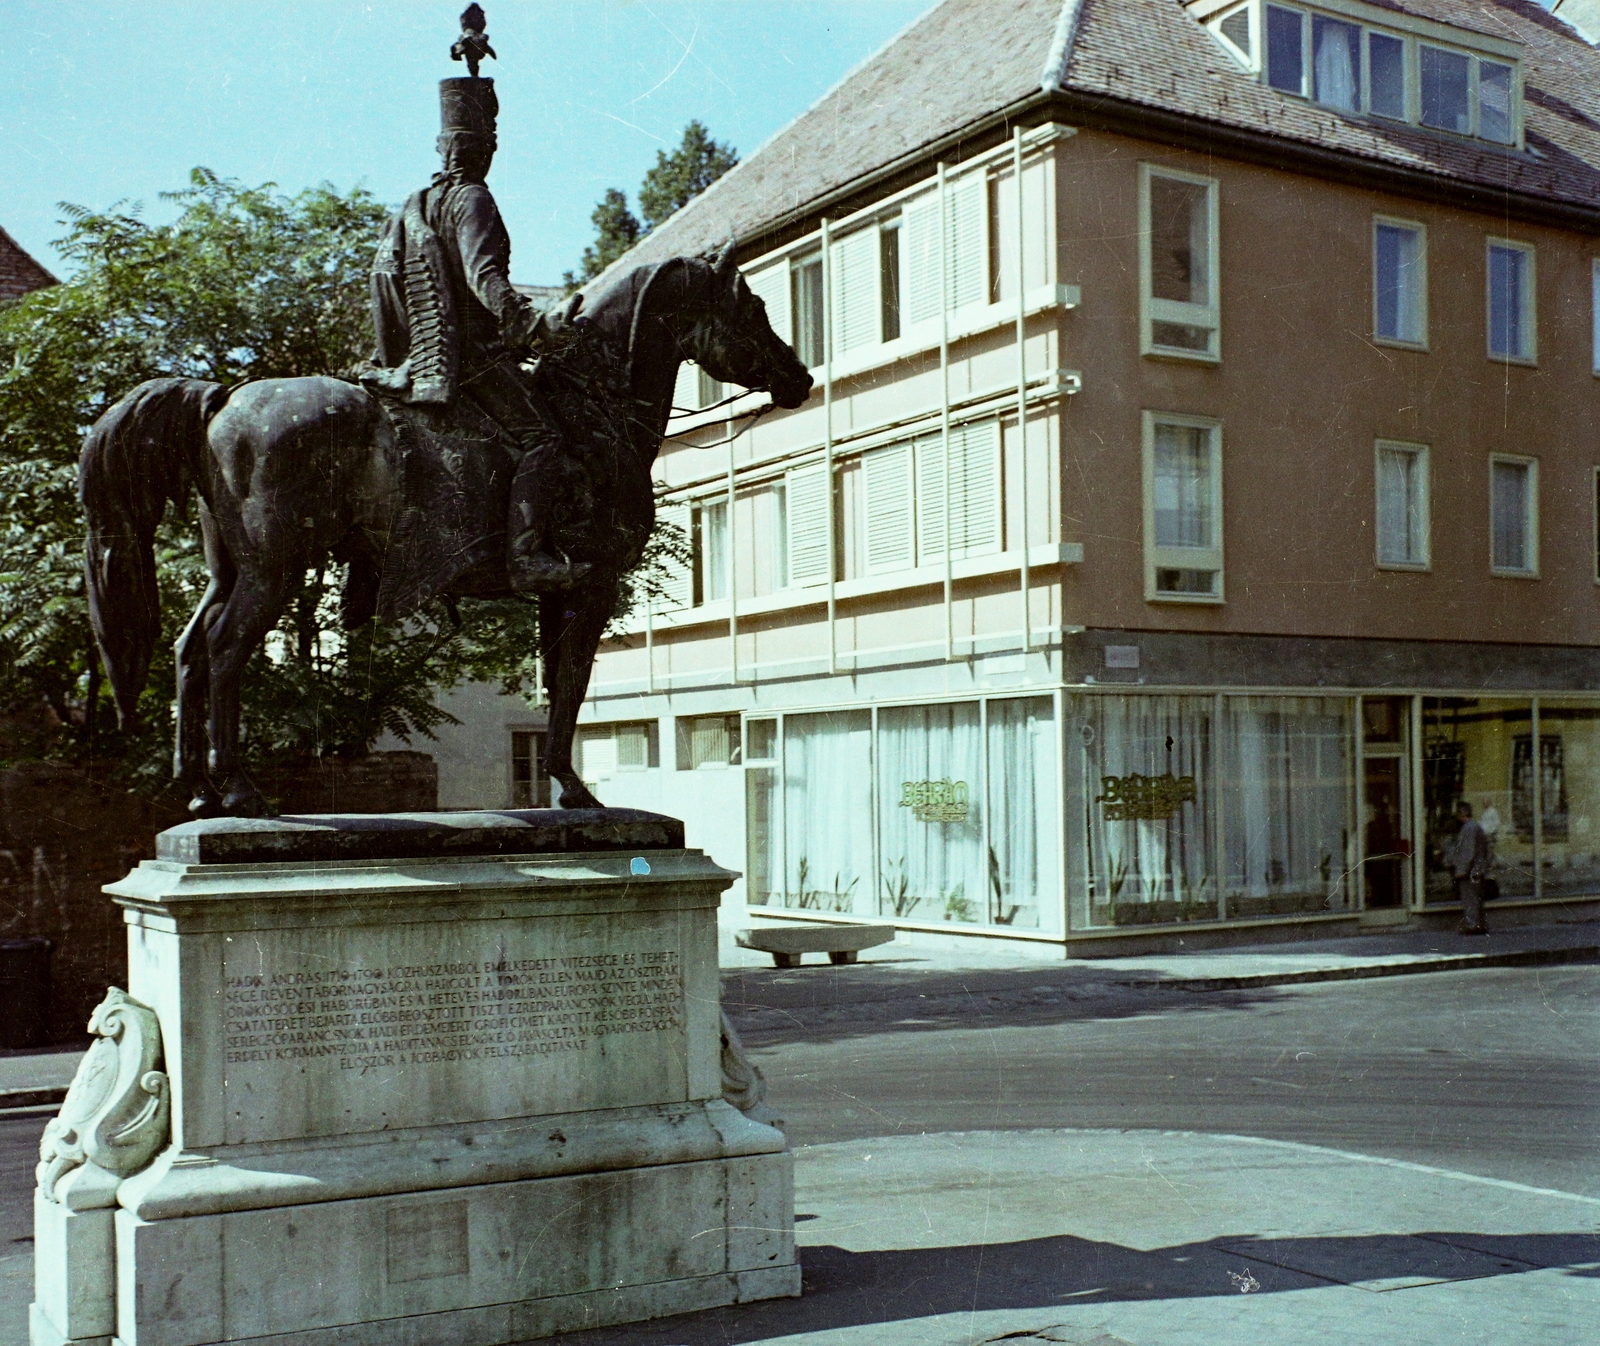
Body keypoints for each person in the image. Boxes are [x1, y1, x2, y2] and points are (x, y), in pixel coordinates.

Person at [366, 61, 589, 592]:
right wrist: (533, 324)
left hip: (419, 356)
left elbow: (384, 280)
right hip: (472, 359)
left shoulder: (414, 204)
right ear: (481, 150)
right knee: (545, 438)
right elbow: (483, 275)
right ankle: (525, 556)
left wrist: (397, 352)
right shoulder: (471, 199)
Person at [1444, 799, 1490, 934]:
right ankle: (1480, 924)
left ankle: (1473, 925)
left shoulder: (1468, 828)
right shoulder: (1476, 826)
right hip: (1477, 869)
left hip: (1470, 870)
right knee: (1477, 899)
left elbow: (1467, 852)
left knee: (1470, 898)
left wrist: (1461, 870)